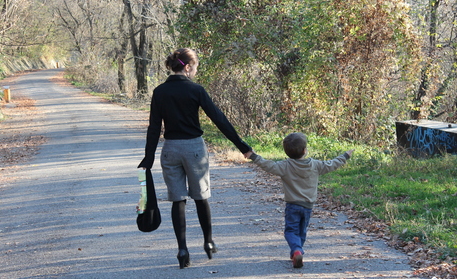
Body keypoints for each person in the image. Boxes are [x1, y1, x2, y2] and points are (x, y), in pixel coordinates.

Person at [138, 48, 252, 269]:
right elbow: (219, 118)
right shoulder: (196, 90)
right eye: (195, 68)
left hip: (170, 149)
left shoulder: (159, 91)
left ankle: (182, 250)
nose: (195, 72)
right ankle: (208, 242)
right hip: (195, 150)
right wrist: (242, 146)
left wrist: (148, 157)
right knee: (201, 197)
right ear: (188, 67)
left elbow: (154, 127)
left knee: (177, 199)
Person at [245, 132, 353, 268]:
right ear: (304, 150)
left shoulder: (284, 166)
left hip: (292, 205)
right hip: (308, 206)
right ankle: (297, 252)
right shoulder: (315, 165)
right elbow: (331, 164)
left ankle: (296, 251)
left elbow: (268, 165)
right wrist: (345, 156)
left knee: (291, 231)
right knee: (302, 231)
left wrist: (253, 156)